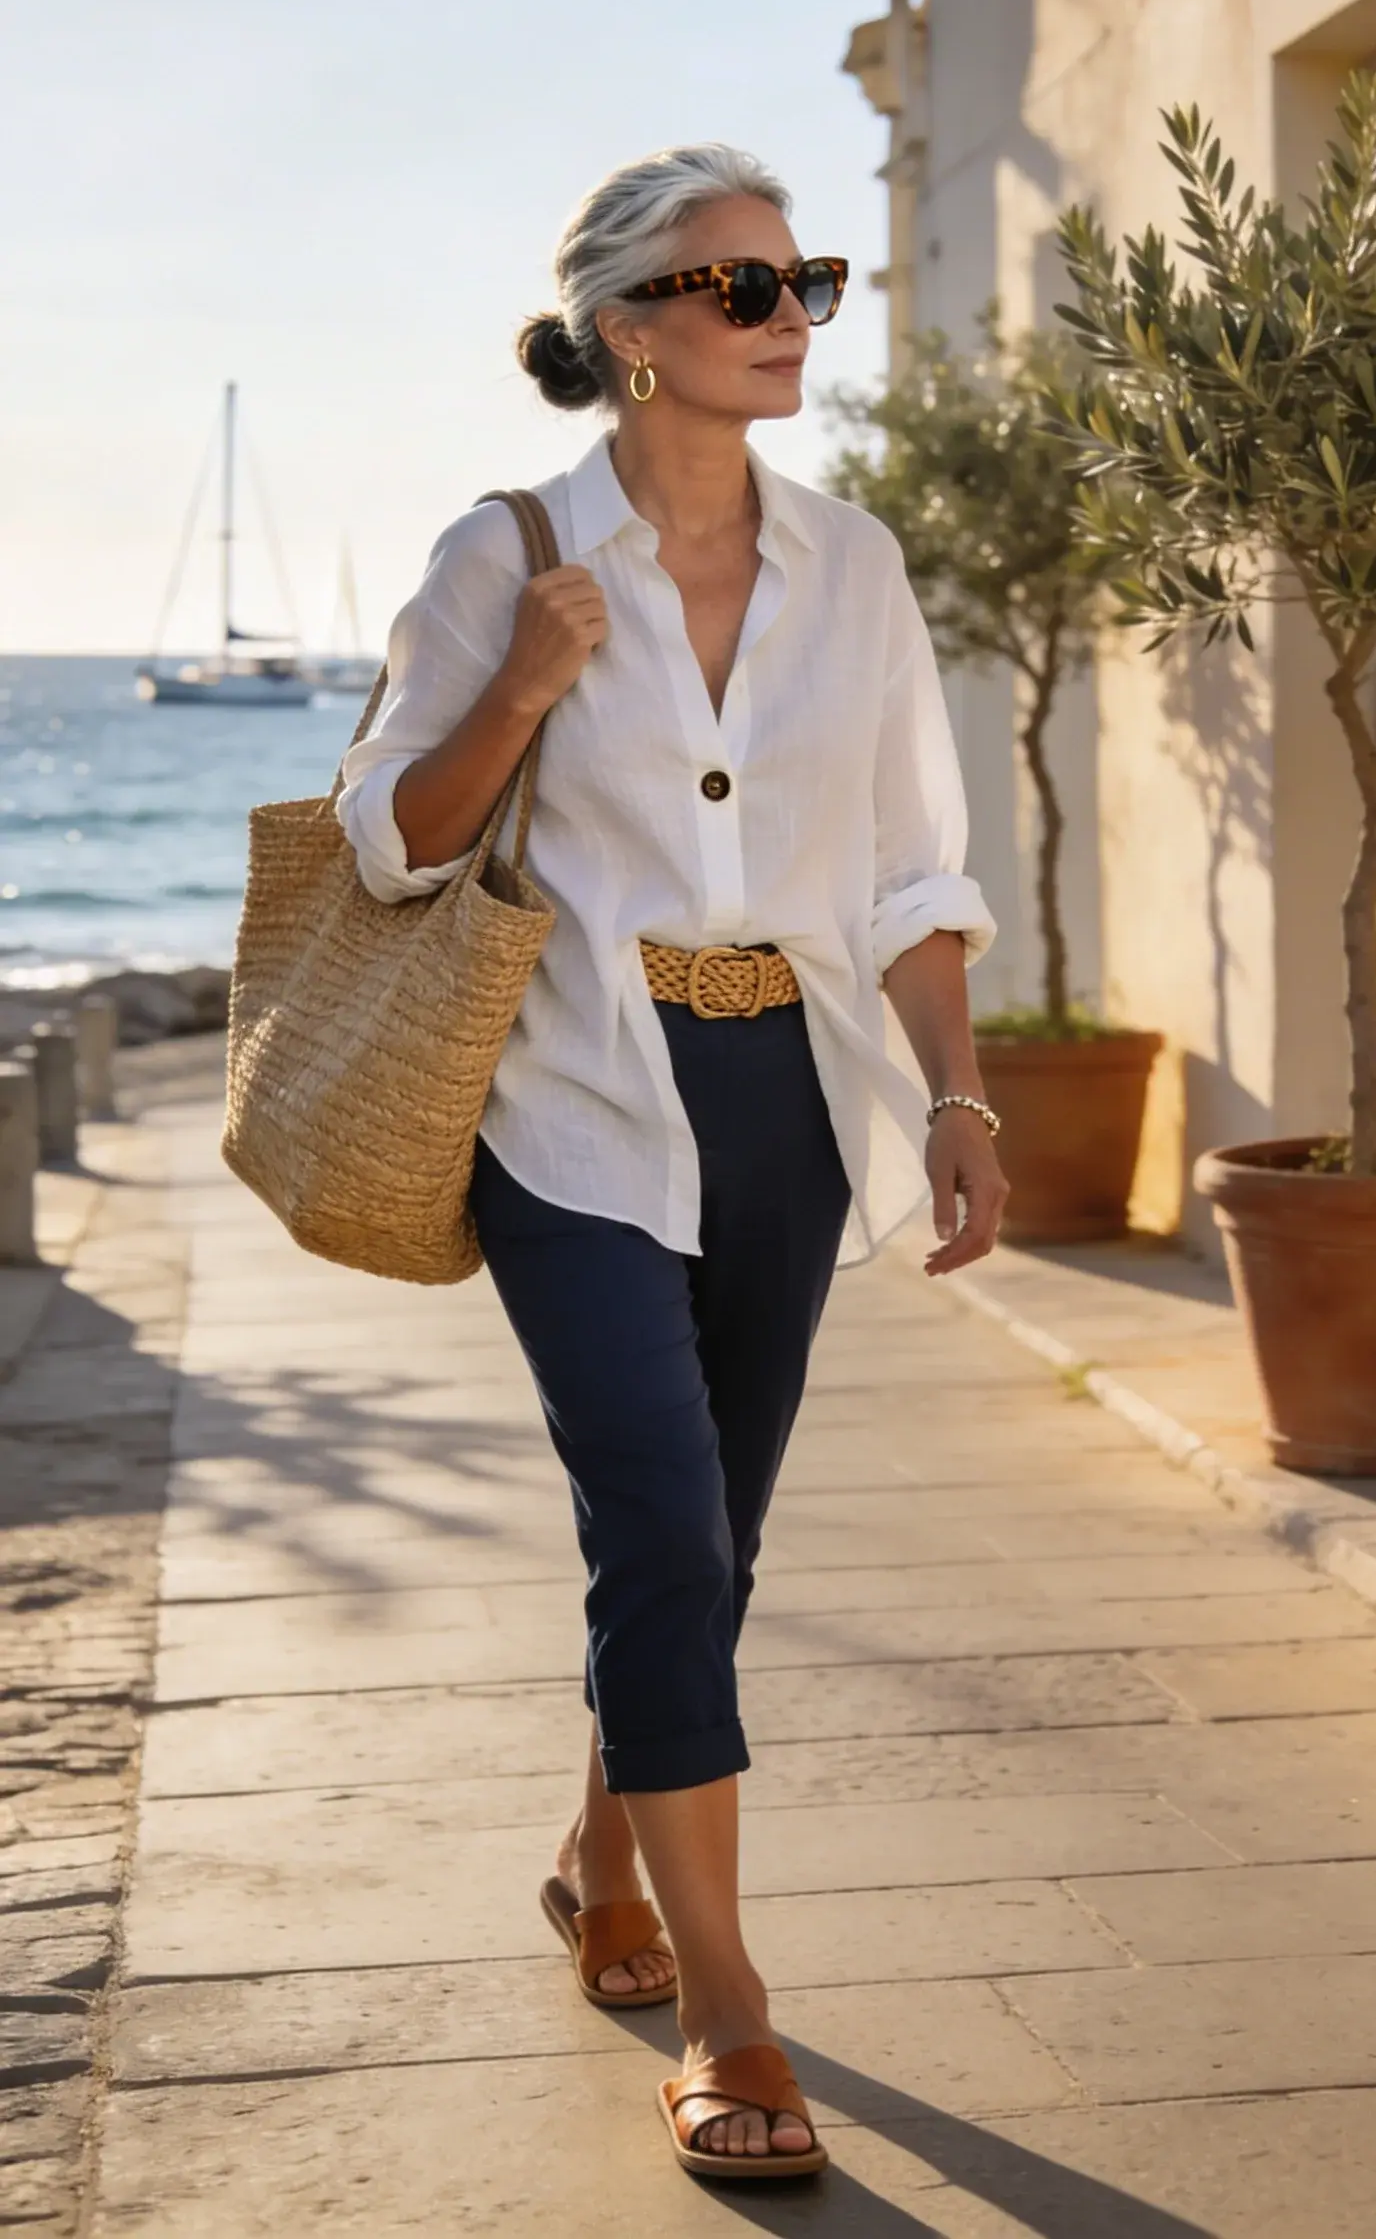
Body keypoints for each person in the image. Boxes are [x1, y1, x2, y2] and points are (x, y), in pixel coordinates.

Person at [333, 143, 1006, 2182]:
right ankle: (726, 1996)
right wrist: (530, 678)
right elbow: (389, 838)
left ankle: (598, 1852)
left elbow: (911, 864)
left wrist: (959, 1093)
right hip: (574, 1097)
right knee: (658, 1504)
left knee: (724, 1531)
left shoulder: (856, 566)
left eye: (803, 279)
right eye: (740, 287)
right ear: (629, 328)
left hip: (783, 1100)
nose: (790, 313)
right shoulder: (508, 548)